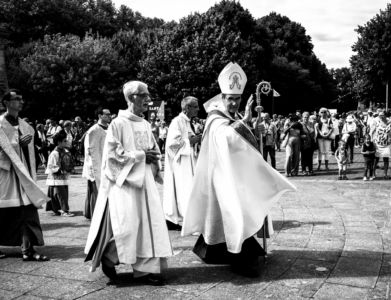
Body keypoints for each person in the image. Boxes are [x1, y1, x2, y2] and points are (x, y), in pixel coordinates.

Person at [181, 62, 296, 277]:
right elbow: (225, 138)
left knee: (230, 214)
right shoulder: (215, 117)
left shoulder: (229, 117)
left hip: (234, 174)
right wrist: (245, 123)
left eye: (237, 99)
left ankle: (216, 250)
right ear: (222, 98)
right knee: (231, 212)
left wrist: (253, 127)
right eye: (230, 99)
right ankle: (237, 254)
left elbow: (239, 139)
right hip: (220, 177)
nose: (233, 103)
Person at [84, 81, 172, 286]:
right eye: (145, 96)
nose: (148, 100)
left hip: (145, 182)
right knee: (128, 227)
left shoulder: (145, 123)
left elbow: (154, 149)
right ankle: (109, 256)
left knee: (149, 226)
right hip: (125, 183)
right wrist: (142, 156)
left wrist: (153, 158)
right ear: (132, 97)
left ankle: (145, 270)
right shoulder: (118, 123)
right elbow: (113, 157)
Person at [0, 89, 49, 261]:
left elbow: (30, 154)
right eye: (17, 99)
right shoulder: (0, 124)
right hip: (6, 176)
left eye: (22, 99)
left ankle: (27, 249)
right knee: (5, 212)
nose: (21, 102)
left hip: (23, 176)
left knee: (27, 211)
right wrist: (16, 145)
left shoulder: (25, 126)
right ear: (6, 102)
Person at [163, 96, 200, 228]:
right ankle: (187, 219)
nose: (198, 109)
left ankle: (191, 218)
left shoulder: (187, 122)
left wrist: (195, 140)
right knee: (185, 190)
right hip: (181, 163)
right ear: (187, 108)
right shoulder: (177, 122)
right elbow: (172, 144)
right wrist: (192, 141)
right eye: (195, 106)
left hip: (189, 161)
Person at [82, 107, 111, 219]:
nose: (109, 116)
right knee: (96, 190)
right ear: (99, 116)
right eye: (106, 114)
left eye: (109, 114)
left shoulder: (110, 128)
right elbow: (91, 152)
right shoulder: (93, 130)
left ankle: (90, 212)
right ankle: (96, 214)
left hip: (106, 163)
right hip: (95, 165)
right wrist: (96, 168)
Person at [45, 130, 74, 217]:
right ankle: (64, 211)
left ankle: (57, 209)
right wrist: (59, 170)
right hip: (57, 177)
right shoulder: (54, 153)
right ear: (59, 142)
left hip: (64, 176)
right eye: (64, 141)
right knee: (61, 194)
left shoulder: (65, 151)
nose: (66, 142)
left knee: (61, 193)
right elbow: (51, 166)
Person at [373, 111, 391, 179]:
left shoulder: (390, 123)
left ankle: (385, 174)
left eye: (382, 115)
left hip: (387, 144)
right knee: (376, 159)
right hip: (378, 144)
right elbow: (372, 131)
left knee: (386, 160)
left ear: (385, 116)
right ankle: (373, 174)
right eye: (380, 115)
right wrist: (372, 140)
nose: (381, 117)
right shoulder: (376, 122)